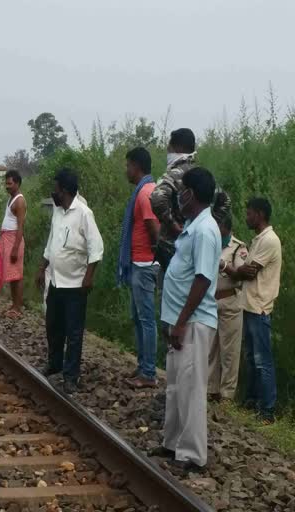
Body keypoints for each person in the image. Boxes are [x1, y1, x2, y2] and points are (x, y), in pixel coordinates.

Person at [152, 167, 221, 471]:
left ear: (191, 194)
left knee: (191, 388)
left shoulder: (205, 230)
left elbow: (203, 279)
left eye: (182, 189)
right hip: (181, 321)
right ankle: (173, 443)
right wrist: (173, 321)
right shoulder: (193, 226)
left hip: (193, 322)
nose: (178, 194)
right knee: (177, 385)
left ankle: (192, 455)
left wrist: (180, 321)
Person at [36, 168, 104, 394]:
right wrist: (42, 267)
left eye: (55, 188)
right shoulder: (58, 212)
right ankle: (54, 363)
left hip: (75, 285)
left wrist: (89, 277)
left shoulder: (84, 213)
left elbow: (96, 247)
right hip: (56, 281)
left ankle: (71, 376)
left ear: (63, 190)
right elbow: (51, 243)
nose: (53, 192)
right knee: (53, 326)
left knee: (73, 333)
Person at [150, 128, 231, 269]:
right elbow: (225, 201)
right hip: (199, 247)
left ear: (177, 148)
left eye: (169, 148)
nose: (167, 152)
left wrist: (172, 224)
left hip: (172, 248)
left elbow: (157, 198)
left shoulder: (174, 174)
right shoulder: (202, 175)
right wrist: (209, 224)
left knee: (173, 287)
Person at [117, 147, 160, 388]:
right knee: (138, 317)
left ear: (136, 166)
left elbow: (154, 229)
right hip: (139, 264)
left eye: (128, 165)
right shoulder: (145, 190)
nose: (126, 170)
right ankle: (143, 365)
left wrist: (154, 259)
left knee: (146, 319)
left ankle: (149, 373)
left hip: (144, 265)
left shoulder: (145, 194)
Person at [237, 198, 281, 424]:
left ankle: (267, 411)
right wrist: (241, 269)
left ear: (260, 214)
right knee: (251, 358)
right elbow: (246, 268)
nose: (247, 217)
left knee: (262, 360)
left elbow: (249, 271)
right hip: (250, 305)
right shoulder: (258, 240)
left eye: (249, 213)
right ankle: (251, 402)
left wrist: (232, 268)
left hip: (260, 307)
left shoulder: (269, 240)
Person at [207, 216, 247, 403]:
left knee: (229, 351)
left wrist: (223, 265)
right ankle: (211, 389)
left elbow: (241, 274)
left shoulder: (238, 247)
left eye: (219, 226)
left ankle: (227, 395)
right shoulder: (211, 243)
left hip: (230, 301)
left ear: (226, 228)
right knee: (211, 348)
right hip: (211, 301)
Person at [0, 169, 27, 318]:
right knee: (12, 275)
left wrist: (15, 248)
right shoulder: (11, 199)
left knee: (17, 276)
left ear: (17, 183)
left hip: (14, 240)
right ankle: (14, 305)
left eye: (10, 183)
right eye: (6, 183)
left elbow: (20, 226)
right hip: (8, 240)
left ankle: (18, 308)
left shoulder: (19, 201)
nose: (7, 186)